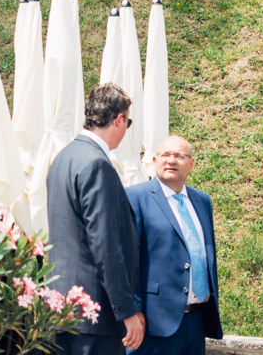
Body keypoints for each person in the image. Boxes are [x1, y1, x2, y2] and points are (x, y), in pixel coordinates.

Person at [47, 83, 143, 355]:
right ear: (119, 119)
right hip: (94, 315)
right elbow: (105, 244)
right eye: (128, 122)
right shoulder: (97, 163)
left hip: (60, 308)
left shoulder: (62, 157)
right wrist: (126, 312)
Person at [127, 136, 222, 355]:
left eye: (179, 156)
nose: (171, 160)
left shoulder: (202, 201)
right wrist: (134, 310)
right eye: (165, 155)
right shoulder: (135, 197)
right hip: (154, 323)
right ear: (154, 160)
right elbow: (127, 260)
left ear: (191, 164)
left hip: (197, 320)